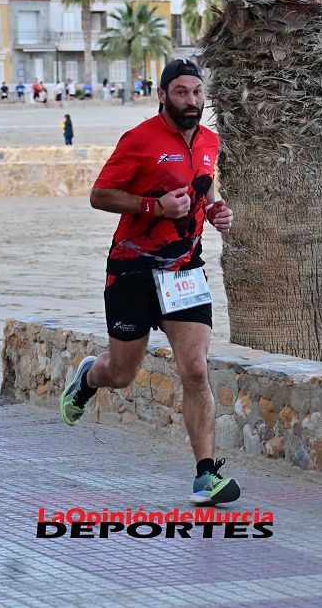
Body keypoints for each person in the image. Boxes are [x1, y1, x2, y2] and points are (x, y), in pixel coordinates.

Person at [59, 58, 238, 506]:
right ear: (162, 95)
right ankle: (88, 376)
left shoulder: (211, 141)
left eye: (197, 93)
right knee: (121, 374)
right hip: (132, 271)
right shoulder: (139, 140)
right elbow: (100, 195)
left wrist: (216, 211)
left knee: (195, 369)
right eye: (181, 92)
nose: (191, 101)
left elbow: (203, 188)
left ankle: (205, 475)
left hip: (184, 271)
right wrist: (154, 208)